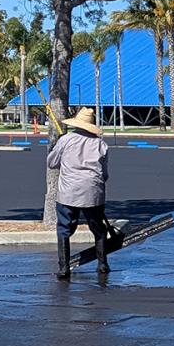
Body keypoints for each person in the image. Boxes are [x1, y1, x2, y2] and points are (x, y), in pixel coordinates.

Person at [47, 107, 111, 278]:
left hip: (69, 192)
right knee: (98, 228)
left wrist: (58, 146)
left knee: (64, 229)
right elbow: (104, 174)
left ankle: (63, 268)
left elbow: (52, 163)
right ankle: (102, 264)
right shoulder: (101, 144)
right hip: (93, 191)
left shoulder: (66, 140)